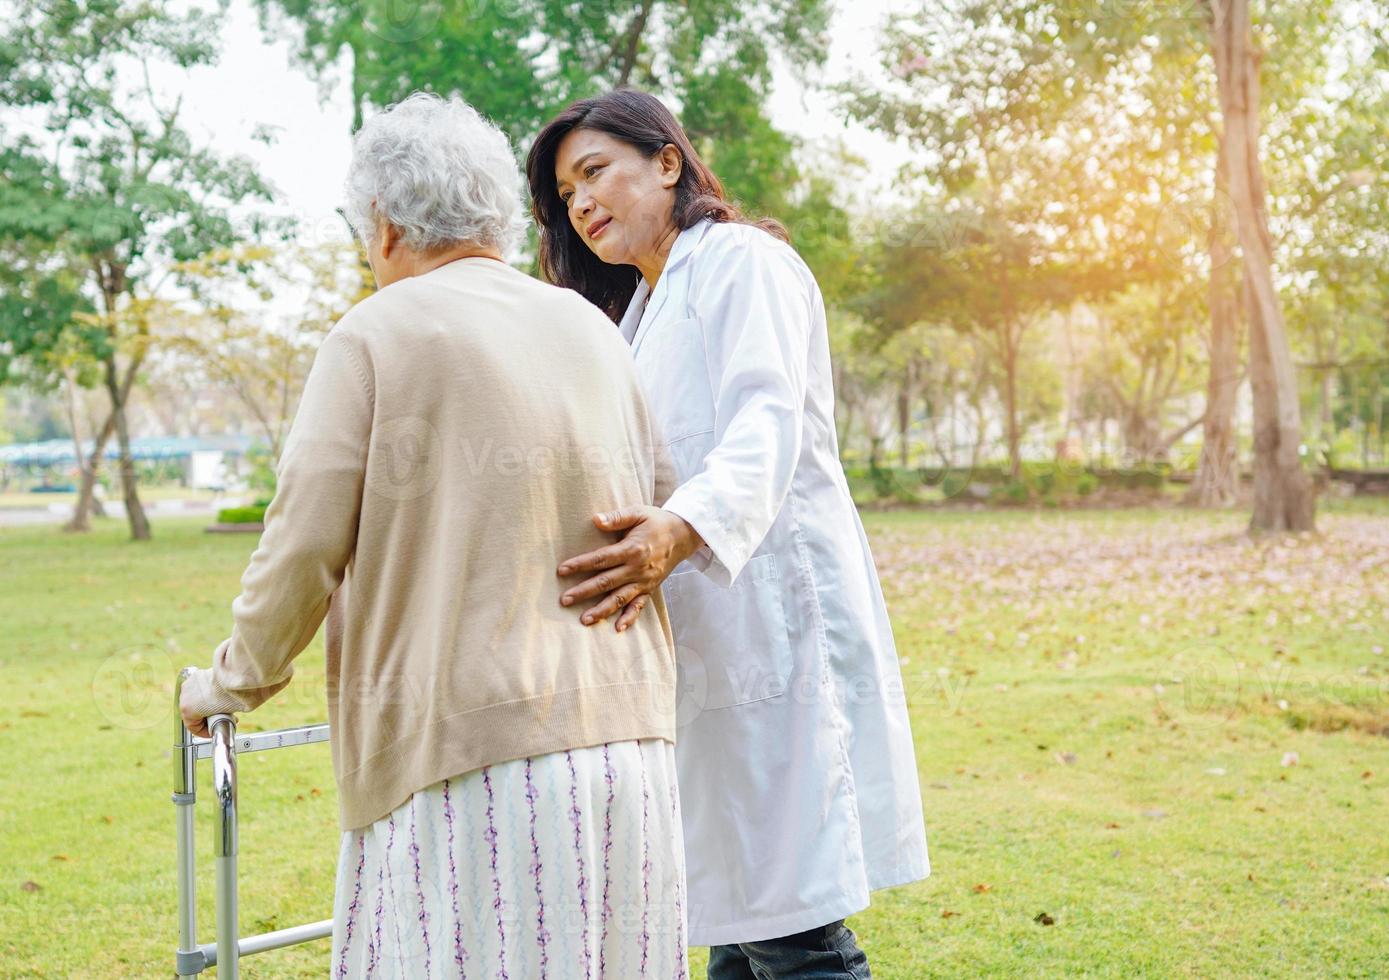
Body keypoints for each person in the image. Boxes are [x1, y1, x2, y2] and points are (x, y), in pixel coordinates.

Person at [179, 92, 688, 979]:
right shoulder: (591, 328)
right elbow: (659, 505)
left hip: (473, 766)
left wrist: (229, 684)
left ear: (382, 226)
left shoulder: (375, 334)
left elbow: (302, 542)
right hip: (628, 752)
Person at [526, 89, 930, 979]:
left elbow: (767, 421)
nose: (580, 204)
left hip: (773, 622)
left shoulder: (743, 262)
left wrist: (680, 528)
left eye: (594, 172)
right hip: (701, 637)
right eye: (564, 195)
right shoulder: (636, 316)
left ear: (667, 162)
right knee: (739, 908)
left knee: (787, 921)